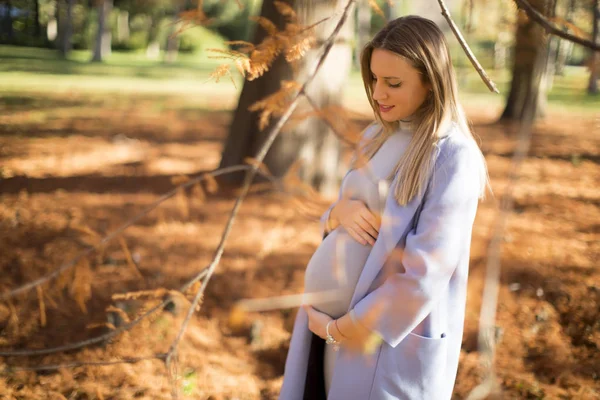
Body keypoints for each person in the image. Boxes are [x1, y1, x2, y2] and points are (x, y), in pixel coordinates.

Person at [279, 15, 489, 400]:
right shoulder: (375, 135)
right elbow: (343, 221)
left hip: (380, 342)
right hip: (332, 335)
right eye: (374, 79)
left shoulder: (452, 157)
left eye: (394, 83)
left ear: (431, 80)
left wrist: (347, 328)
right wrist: (336, 214)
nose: (378, 94)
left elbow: (425, 273)